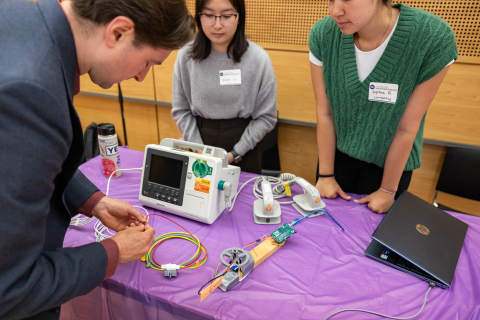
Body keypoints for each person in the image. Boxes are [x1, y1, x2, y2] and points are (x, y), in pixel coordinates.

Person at [0, 0, 194, 319]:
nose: (142, 77)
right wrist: (114, 251)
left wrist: (95, 203)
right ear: (117, 32)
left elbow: (14, 162)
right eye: (148, 62)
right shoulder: (30, 92)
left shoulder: (19, 15)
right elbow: (12, 286)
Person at [309, 0, 457, 213]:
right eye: (330, 0)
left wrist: (387, 191)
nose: (335, 11)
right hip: (335, 160)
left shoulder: (432, 37)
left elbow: (407, 127)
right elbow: (325, 112)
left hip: (390, 169)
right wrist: (325, 175)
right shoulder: (324, 34)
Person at [171, 0, 277, 174]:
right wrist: (200, 151)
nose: (217, 25)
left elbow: (266, 117)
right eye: (209, 15)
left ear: (239, 17)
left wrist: (235, 154)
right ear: (198, 16)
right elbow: (181, 111)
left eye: (227, 16)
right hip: (199, 141)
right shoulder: (186, 56)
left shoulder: (259, 59)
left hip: (245, 147)